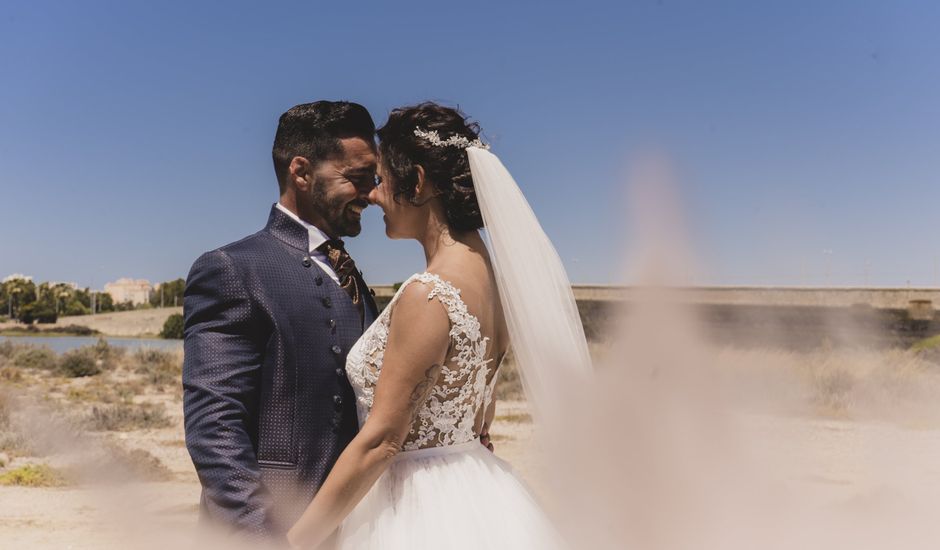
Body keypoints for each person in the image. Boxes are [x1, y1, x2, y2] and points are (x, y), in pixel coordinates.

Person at [287, 102, 592, 549]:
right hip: (478, 492)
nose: (372, 196)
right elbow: (479, 418)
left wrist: (296, 540)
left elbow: (383, 441)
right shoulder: (497, 284)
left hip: (416, 508)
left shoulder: (428, 293)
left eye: (383, 181)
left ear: (418, 181)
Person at [182, 100, 381, 543]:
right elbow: (215, 425)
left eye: (375, 179)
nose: (370, 194)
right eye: (356, 178)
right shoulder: (232, 268)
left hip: (355, 528)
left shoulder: (352, 274)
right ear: (301, 171)